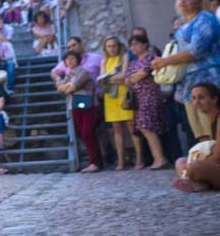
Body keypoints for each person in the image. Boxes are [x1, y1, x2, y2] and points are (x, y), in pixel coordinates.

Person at [152, 0, 220, 141]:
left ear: (200, 2)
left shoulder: (205, 19)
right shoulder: (183, 26)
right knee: (201, 133)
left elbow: (196, 51)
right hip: (190, 84)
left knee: (215, 129)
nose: (182, 2)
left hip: (211, 80)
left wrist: (165, 61)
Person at [125, 34, 169, 168]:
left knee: (147, 126)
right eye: (131, 45)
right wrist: (132, 78)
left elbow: (142, 74)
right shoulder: (133, 62)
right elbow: (127, 80)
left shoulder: (151, 58)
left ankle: (160, 159)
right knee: (143, 127)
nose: (134, 47)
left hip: (150, 95)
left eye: (136, 43)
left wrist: (133, 78)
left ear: (145, 44)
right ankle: (158, 158)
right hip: (138, 98)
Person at [57, 50, 102, 172]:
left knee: (87, 133)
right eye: (67, 59)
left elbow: (72, 87)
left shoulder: (83, 72)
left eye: (73, 58)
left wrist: (65, 86)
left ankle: (95, 162)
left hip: (88, 106)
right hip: (75, 106)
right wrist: (64, 87)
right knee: (85, 133)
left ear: (78, 60)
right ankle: (95, 162)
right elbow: (60, 90)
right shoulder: (68, 75)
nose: (70, 61)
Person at [100, 36, 140, 169]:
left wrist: (110, 78)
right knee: (116, 129)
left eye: (114, 46)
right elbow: (102, 79)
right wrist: (114, 79)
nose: (112, 48)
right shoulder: (104, 60)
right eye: (109, 46)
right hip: (111, 96)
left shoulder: (124, 57)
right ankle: (121, 161)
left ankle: (139, 159)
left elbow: (124, 75)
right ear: (105, 48)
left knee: (131, 127)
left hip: (123, 94)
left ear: (119, 46)